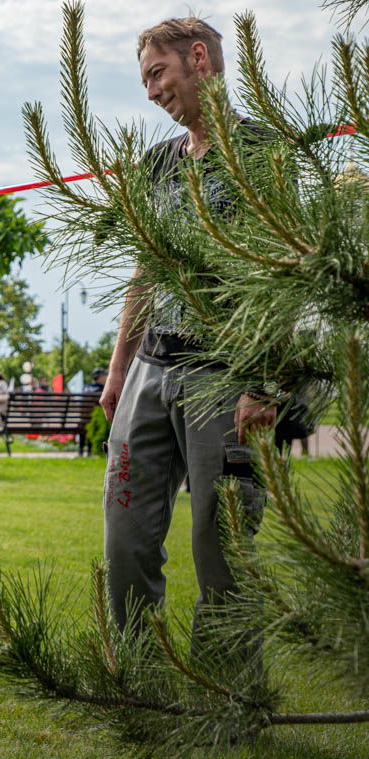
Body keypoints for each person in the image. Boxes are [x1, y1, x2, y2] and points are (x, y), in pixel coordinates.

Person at [102, 18, 277, 653]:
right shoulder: (158, 165)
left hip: (224, 380)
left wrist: (264, 383)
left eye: (158, 74)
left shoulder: (264, 152)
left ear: (198, 58)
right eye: (145, 81)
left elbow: (284, 275)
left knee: (221, 544)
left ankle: (225, 691)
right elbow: (145, 271)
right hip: (150, 371)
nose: (152, 92)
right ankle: (136, 676)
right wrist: (118, 371)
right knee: (125, 536)